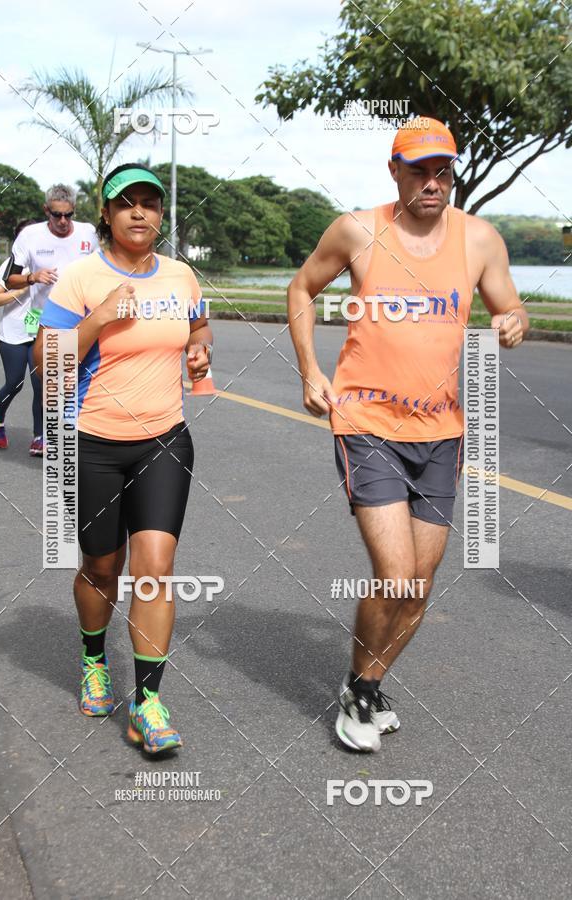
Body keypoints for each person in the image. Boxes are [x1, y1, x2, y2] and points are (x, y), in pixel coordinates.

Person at [287, 118, 528, 753]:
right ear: (394, 171)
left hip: (442, 431)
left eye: (442, 171)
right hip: (368, 423)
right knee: (395, 574)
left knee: (419, 586)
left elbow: (509, 306)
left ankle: (365, 686)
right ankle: (359, 697)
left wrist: (513, 321)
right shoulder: (357, 231)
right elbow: (302, 288)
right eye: (418, 170)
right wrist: (311, 370)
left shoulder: (479, 240)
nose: (432, 182)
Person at [34, 163, 213, 754]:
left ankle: (147, 704)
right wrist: (99, 318)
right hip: (90, 443)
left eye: (150, 203)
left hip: (164, 439)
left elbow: (199, 327)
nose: (140, 212)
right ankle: (93, 659)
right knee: (101, 567)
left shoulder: (181, 276)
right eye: (126, 202)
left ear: (161, 215)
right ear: (106, 215)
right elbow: (45, 365)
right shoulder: (81, 278)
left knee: (156, 567)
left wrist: (199, 352)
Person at [0, 183, 98, 455]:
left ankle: (66, 438)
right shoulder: (29, 236)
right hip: (42, 322)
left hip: (78, 322)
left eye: (68, 215)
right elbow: (9, 279)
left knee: (70, 383)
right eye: (57, 215)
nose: (63, 221)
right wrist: (33, 277)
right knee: (33, 381)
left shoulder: (88, 233)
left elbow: (101, 269)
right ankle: (33, 433)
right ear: (46, 211)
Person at [0, 219, 43, 454]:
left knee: (41, 385)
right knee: (15, 383)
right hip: (13, 334)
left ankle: (39, 437)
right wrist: (22, 289)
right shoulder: (10, 266)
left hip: (39, 332)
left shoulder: (48, 264)